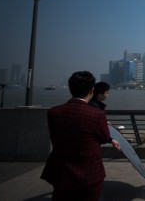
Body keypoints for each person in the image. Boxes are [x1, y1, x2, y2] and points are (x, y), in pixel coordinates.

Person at [40, 71, 120, 201]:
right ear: (91, 90)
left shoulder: (53, 112)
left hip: (60, 172)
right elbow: (104, 137)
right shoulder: (96, 115)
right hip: (88, 173)